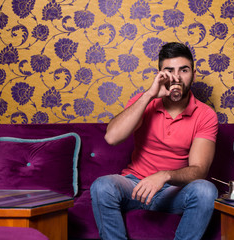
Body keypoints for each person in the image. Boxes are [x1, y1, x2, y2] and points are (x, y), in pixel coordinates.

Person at [90, 42, 219, 240]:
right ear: (160, 74)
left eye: (183, 70)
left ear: (193, 74)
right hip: (134, 185)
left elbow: (199, 170)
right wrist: (149, 95)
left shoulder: (205, 115)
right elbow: (111, 137)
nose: (176, 77)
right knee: (102, 185)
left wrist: (164, 176)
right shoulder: (143, 101)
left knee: (206, 190)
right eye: (169, 71)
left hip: (173, 192)